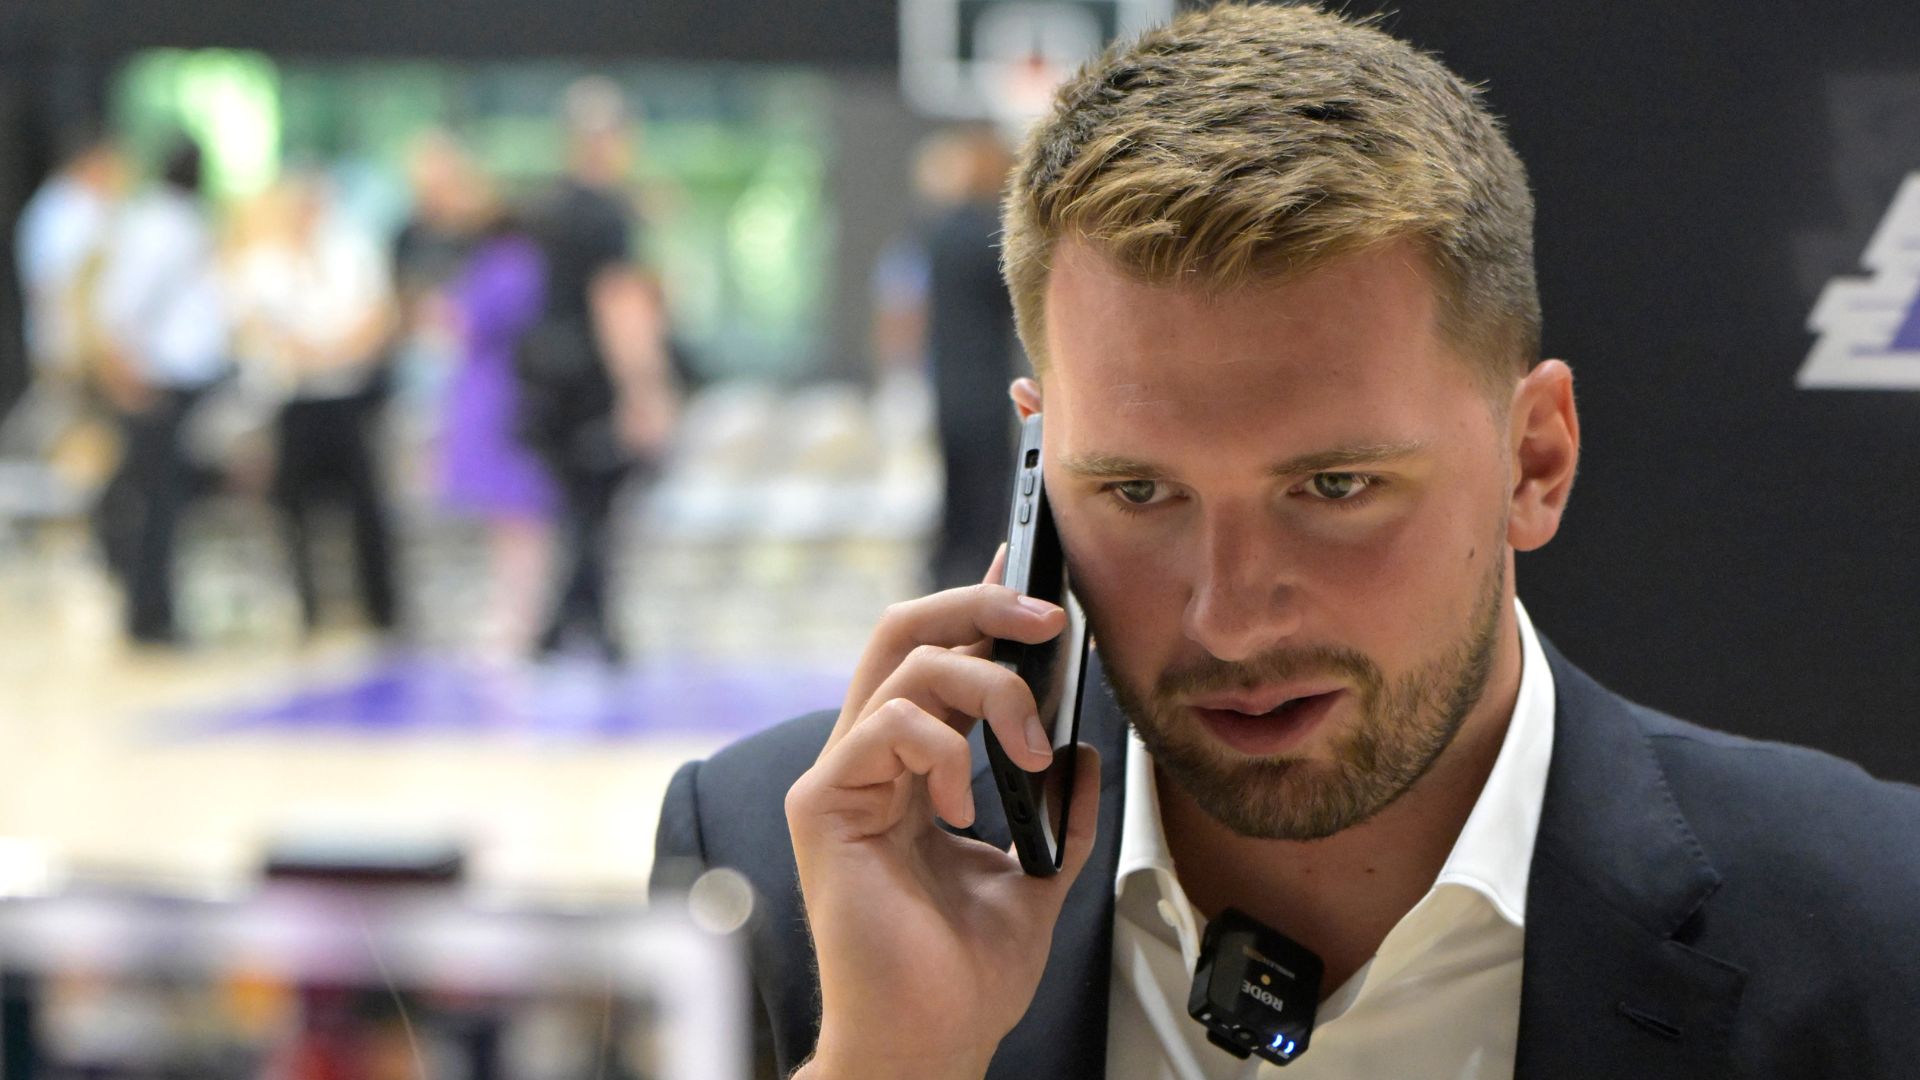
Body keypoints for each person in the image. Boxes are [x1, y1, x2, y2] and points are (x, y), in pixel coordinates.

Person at [651, 6, 1920, 1079]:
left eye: (1334, 484)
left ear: (1534, 460)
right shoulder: (788, 868)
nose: (1231, 620)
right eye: (1140, 494)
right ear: (1038, 469)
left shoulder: (1871, 924)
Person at [518, 77, 677, 663]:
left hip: (548, 381)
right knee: (594, 511)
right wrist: (644, 389)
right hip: (589, 386)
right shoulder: (607, 214)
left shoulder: (549, 209)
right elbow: (619, 304)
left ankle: (570, 624)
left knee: (579, 509)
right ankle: (577, 628)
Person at [229, 173, 400, 636]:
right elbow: (259, 330)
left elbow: (377, 319)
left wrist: (332, 353)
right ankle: (308, 610)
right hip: (294, 400)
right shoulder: (265, 265)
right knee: (294, 509)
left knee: (366, 506)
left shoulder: (352, 253)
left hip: (347, 396)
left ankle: (381, 608)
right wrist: (305, 354)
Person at [91, 137, 230, 645]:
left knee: (166, 503)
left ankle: (156, 606)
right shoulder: (159, 226)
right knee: (155, 506)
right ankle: (148, 612)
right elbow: (121, 306)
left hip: (180, 379)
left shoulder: (182, 221)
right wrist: (128, 374)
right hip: (160, 382)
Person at [916, 126, 1022, 591]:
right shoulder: (988, 238)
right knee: (985, 502)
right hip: (984, 386)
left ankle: (944, 583)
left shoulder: (938, 233)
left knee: (955, 498)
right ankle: (980, 589)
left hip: (945, 385)